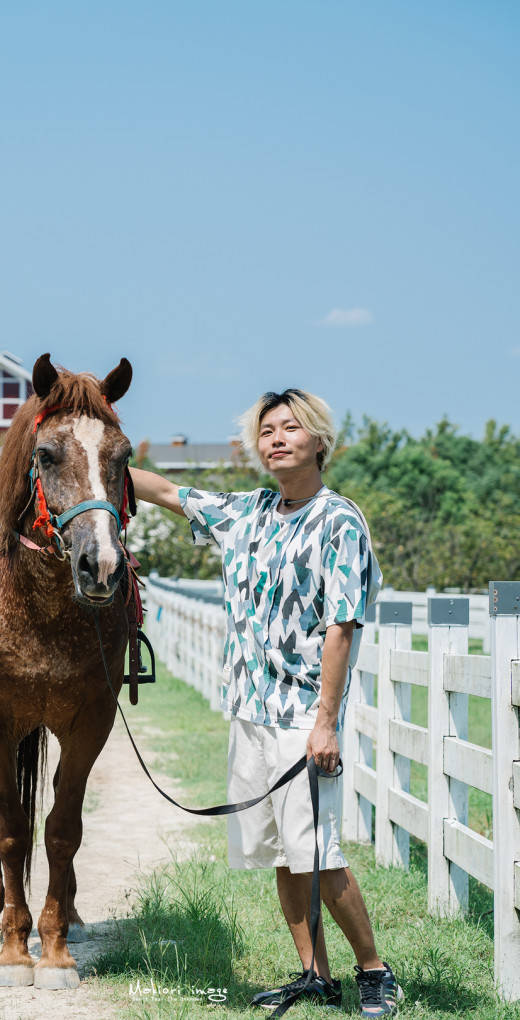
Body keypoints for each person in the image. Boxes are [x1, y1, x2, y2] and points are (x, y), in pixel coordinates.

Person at [129, 388, 403, 1017]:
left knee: (321, 855)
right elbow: (169, 493)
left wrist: (325, 724)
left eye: (290, 428)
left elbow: (342, 626)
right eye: (267, 431)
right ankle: (314, 975)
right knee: (282, 853)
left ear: (318, 441)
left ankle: (374, 971)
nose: (276, 438)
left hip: (304, 718)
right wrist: (88, 451)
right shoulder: (245, 512)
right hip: (250, 711)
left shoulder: (340, 522)